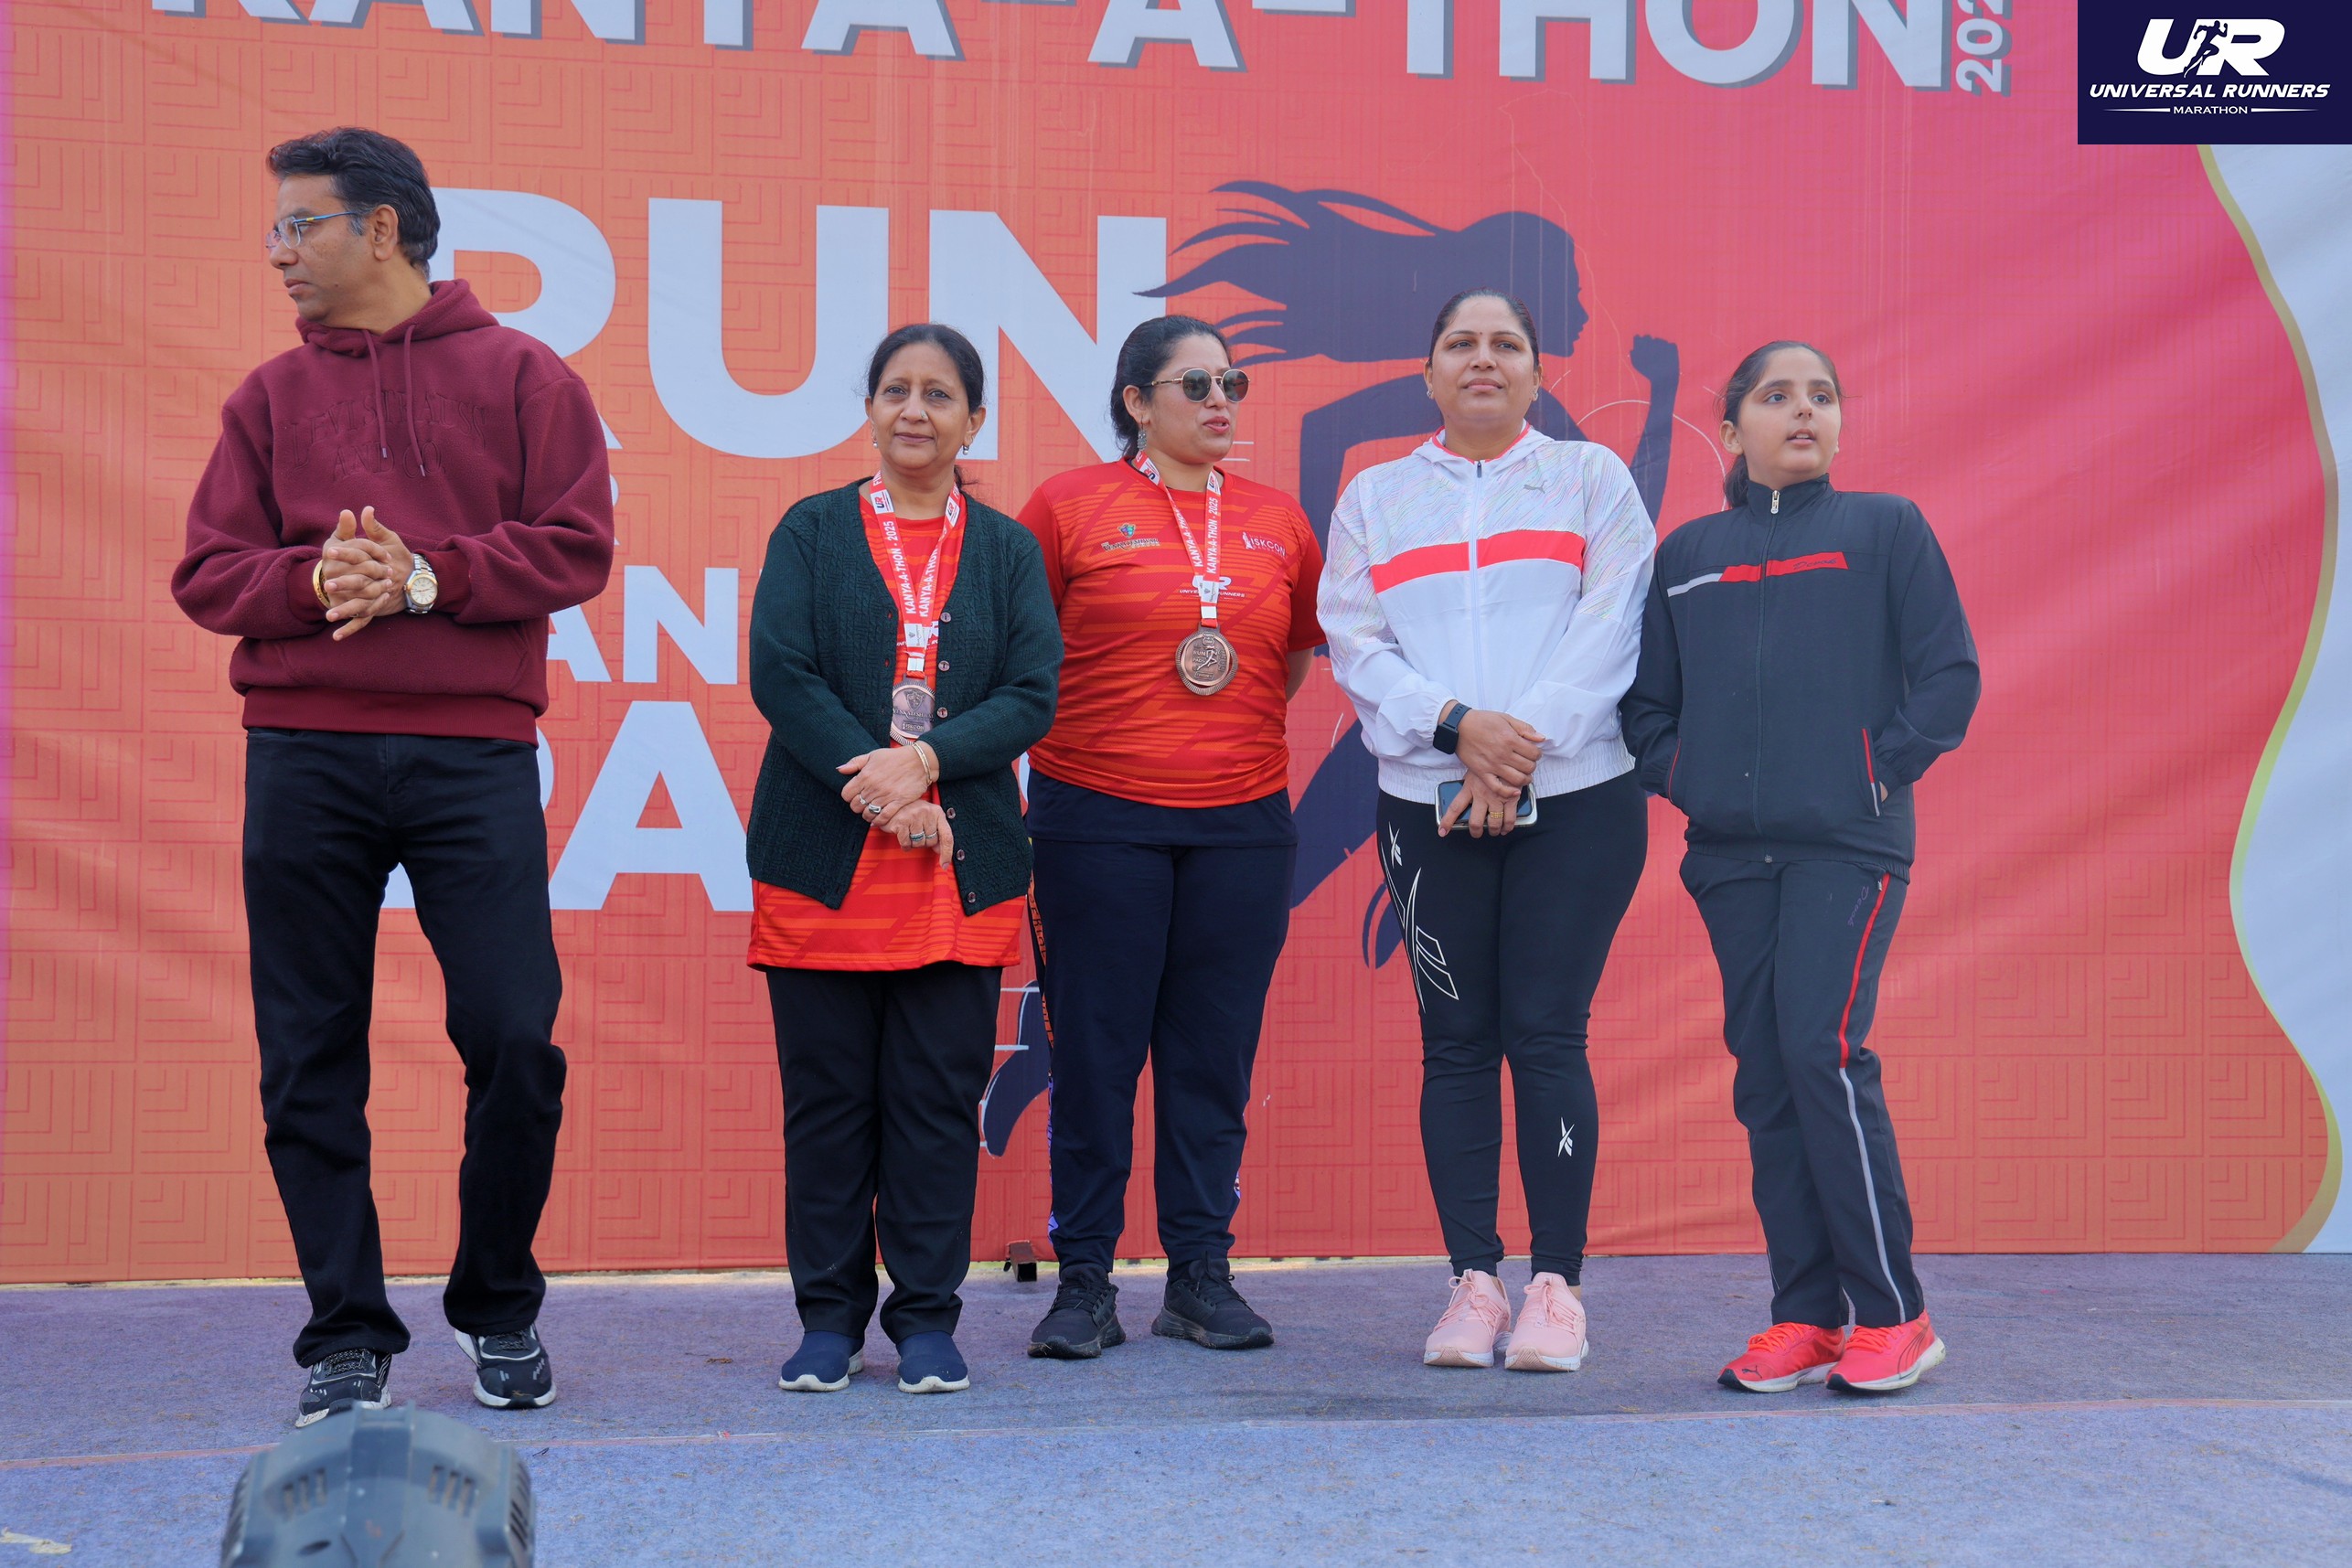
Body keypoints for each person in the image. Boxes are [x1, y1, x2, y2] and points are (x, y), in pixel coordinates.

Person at [170, 128, 614, 1427]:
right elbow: (207, 571)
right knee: (308, 1046)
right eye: (275, 229)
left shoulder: (526, 376)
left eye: (298, 224)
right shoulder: (266, 398)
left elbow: (576, 544)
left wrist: (430, 575)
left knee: (516, 1035)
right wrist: (315, 578)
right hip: (302, 751)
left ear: (379, 228)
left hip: (473, 752)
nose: (278, 251)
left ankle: (498, 1301)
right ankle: (346, 1328)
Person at [1620, 342, 1979, 1395]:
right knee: (1767, 1072)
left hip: (1846, 844)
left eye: (1821, 395)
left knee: (1820, 1049)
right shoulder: (1687, 553)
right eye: (1776, 397)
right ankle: (1808, 1314)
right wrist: (1689, 779)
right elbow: (1646, 709)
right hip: (1732, 856)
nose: (1804, 411)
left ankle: (1895, 1314)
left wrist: (1872, 771)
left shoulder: (1885, 528)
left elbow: (1949, 677)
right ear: (1732, 431)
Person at [1320, 289, 1653, 1372]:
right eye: (1459, 343)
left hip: (1579, 800)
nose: (1483, 358)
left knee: (1547, 1033)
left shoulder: (1591, 479)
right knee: (1456, 1041)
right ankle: (1472, 1281)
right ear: (1427, 375)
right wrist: (1458, 727)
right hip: (1429, 804)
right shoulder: (1374, 496)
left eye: (1506, 344)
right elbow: (1354, 640)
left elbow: (1612, 624)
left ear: (1537, 376)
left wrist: (1513, 747)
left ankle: (1555, 1287)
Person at [747, 324, 1061, 1396]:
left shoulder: (1007, 550)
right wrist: (878, 784)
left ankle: (927, 1319)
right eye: (895, 390)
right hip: (822, 864)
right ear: (871, 409)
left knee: (933, 1108)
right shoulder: (813, 529)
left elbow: (1030, 694)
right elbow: (781, 674)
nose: (914, 410)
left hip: (955, 870)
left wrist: (924, 761)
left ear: (975, 419)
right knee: (828, 1108)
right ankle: (827, 1321)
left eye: (937, 393)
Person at [1016, 316, 1324, 1360]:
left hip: (1241, 824)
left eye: (1231, 381)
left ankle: (1199, 1275)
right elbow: (1022, 657)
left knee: (1211, 1060)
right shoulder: (1068, 506)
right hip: (1094, 818)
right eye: (1194, 383)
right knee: (1094, 1056)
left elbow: (1284, 661)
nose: (1219, 399)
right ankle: (1084, 1282)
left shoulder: (1279, 519)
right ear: (1136, 403)